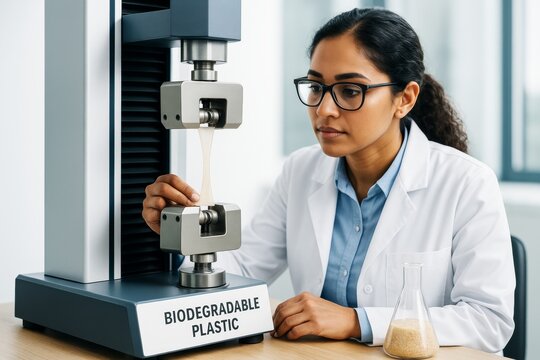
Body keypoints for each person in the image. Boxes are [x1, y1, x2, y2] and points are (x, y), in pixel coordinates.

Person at [142, 8, 515, 353]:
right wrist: (182, 233)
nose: (324, 109)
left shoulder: (467, 184)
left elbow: (489, 320)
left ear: (405, 99)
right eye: (316, 87)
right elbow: (244, 270)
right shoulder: (300, 171)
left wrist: (357, 321)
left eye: (350, 91)